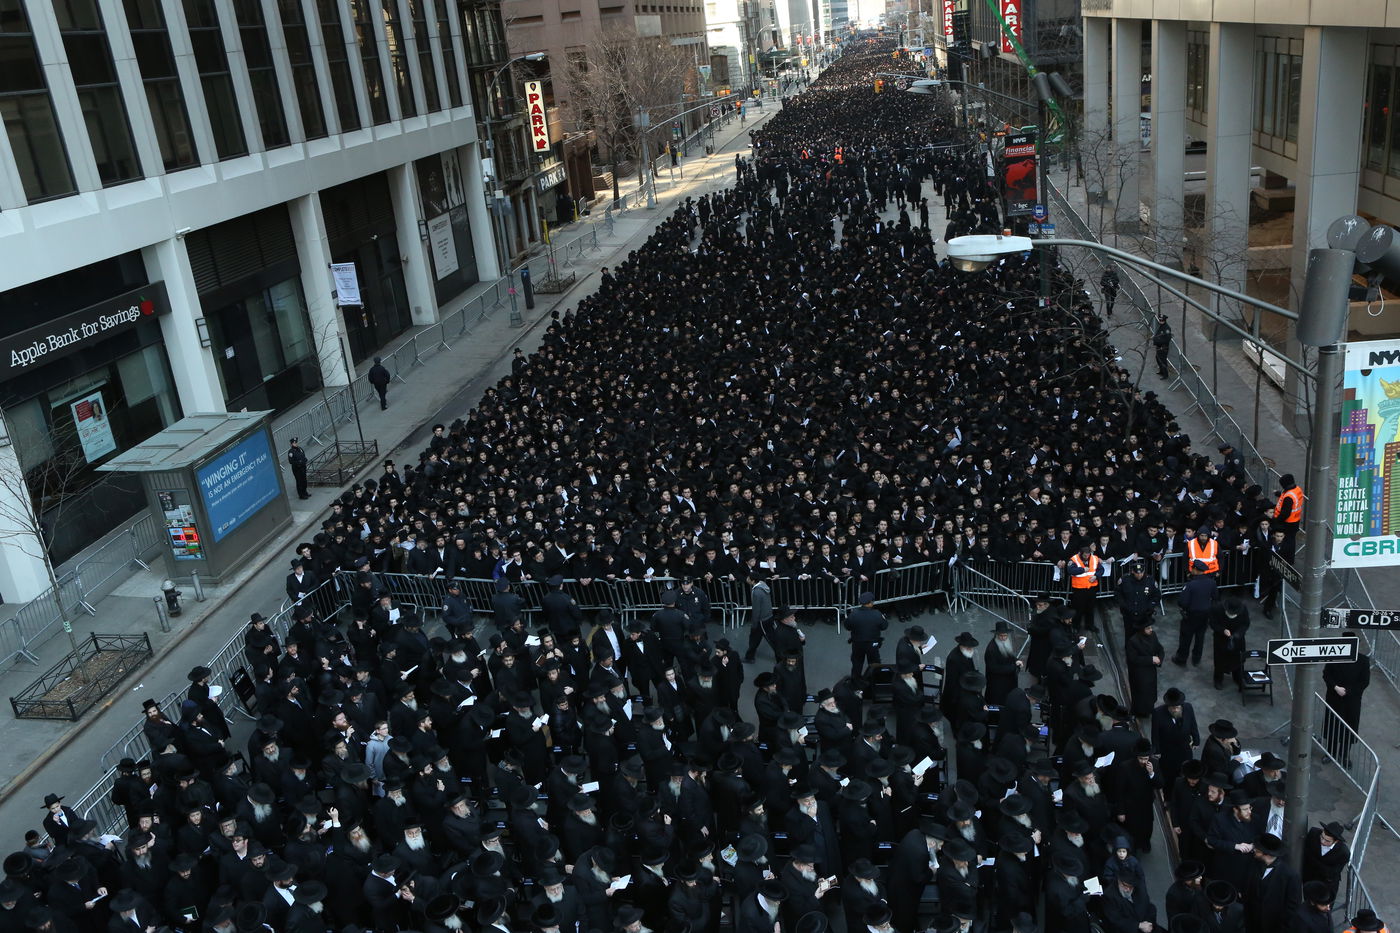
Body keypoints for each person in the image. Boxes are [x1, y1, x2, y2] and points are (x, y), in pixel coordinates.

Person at [1322, 632, 1371, 767]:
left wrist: (1348, 691)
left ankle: (1344, 755)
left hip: (1352, 701)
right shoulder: (1334, 657)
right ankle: (1330, 753)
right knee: (1332, 726)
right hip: (1334, 698)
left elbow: (1364, 682)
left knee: (1348, 728)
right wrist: (1335, 687)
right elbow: (1326, 675)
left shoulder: (1362, 660)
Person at [1173, 560, 1217, 667]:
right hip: (1205, 614)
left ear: (1196, 570)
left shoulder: (1191, 585)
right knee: (1200, 637)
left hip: (1191, 615)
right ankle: (1196, 659)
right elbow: (1216, 598)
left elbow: (1182, 602)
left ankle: (1181, 658)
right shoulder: (1212, 582)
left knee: (1185, 637)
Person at [844, 591, 887, 680]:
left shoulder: (854, 614)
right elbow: (884, 626)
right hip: (872, 644)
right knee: (874, 663)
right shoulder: (877, 614)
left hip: (857, 643)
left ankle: (855, 682)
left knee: (857, 663)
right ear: (870, 602)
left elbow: (847, 626)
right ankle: (875, 680)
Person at [1274, 474, 1304, 550]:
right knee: (1291, 541)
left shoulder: (1288, 497)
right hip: (1295, 521)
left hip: (1287, 524)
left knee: (1286, 544)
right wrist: (1279, 493)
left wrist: (1275, 521)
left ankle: (1286, 560)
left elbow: (1285, 514)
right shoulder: (1297, 489)